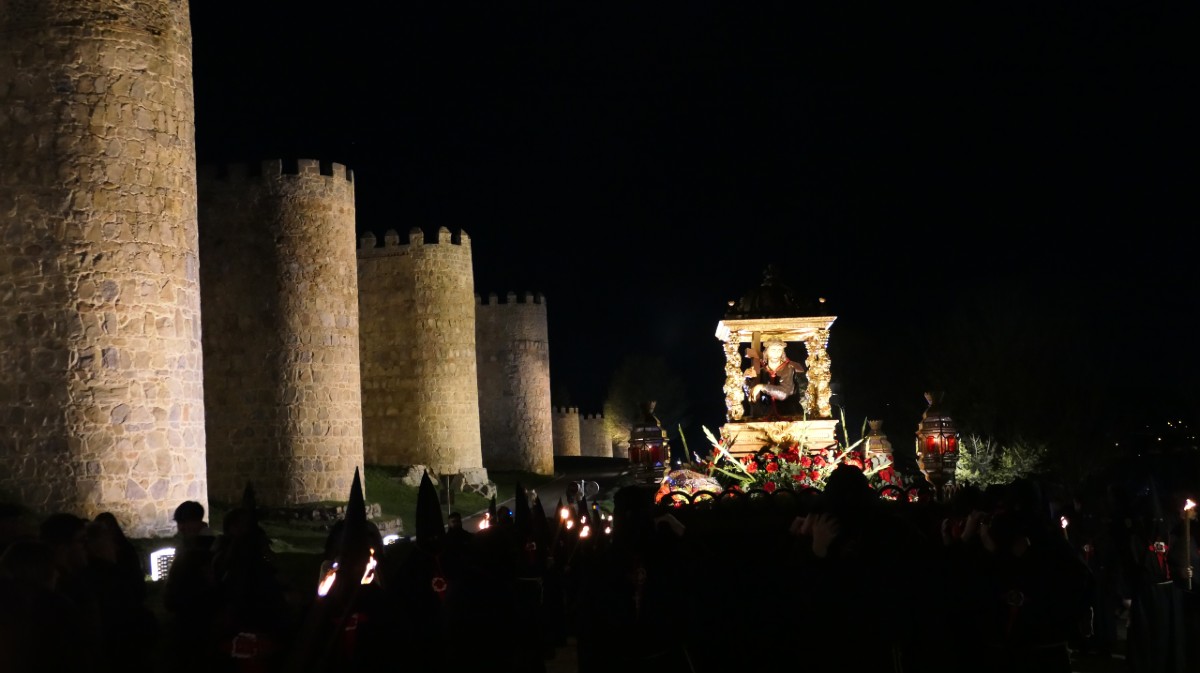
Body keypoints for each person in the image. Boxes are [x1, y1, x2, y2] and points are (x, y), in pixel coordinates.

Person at [743, 338, 809, 418]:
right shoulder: (761, 371)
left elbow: (784, 393)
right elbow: (752, 398)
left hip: (788, 416)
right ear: (766, 351)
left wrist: (761, 386)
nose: (776, 354)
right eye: (773, 350)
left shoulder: (789, 368)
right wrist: (746, 379)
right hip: (765, 416)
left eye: (779, 350)